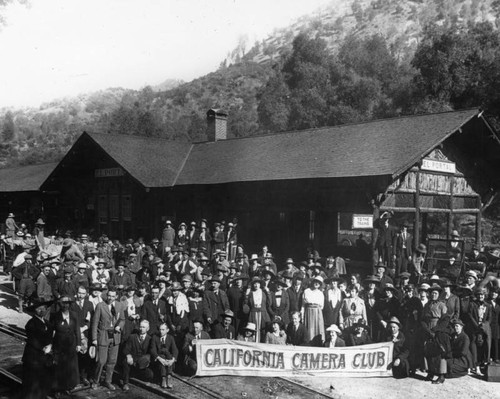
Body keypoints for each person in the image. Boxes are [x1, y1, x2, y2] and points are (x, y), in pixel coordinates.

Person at [91, 288, 125, 390]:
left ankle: (107, 381)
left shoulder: (119, 305)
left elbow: (122, 319)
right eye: (109, 296)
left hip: (115, 336)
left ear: (116, 297)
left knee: (112, 361)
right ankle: (96, 381)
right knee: (101, 361)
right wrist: (94, 338)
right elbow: (95, 322)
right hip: (103, 335)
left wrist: (120, 326)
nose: (110, 298)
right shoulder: (100, 306)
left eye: (113, 296)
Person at [22, 298, 54, 399]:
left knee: (43, 382)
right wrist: (43, 348)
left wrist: (51, 345)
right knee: (32, 383)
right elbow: (32, 340)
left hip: (44, 358)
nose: (41, 310)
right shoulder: (31, 324)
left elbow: (51, 338)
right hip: (33, 357)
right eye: (39, 308)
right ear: (34, 310)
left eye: (44, 308)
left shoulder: (48, 323)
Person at [52, 296, 81, 396]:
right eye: (63, 303)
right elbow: (51, 331)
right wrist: (50, 344)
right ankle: (58, 388)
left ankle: (68, 386)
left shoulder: (74, 315)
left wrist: (78, 344)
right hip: (59, 345)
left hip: (71, 344)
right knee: (60, 366)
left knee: (70, 366)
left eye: (67, 303)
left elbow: (77, 330)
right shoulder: (55, 316)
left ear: (70, 305)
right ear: (60, 305)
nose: (65, 305)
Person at [121, 320, 154, 391]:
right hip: (132, 361)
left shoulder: (150, 339)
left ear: (148, 329)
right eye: (140, 327)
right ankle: (125, 383)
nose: (141, 329)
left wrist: (146, 360)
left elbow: (151, 352)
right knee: (125, 361)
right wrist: (128, 356)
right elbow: (126, 349)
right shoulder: (132, 337)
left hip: (142, 364)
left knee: (150, 375)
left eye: (144, 327)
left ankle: (135, 374)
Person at [245, 276, 272, 343]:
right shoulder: (251, 293)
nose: (256, 285)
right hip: (253, 314)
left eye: (257, 283)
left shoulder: (264, 293)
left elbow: (269, 303)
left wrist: (268, 292)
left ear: (260, 284)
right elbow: (246, 305)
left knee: (263, 330)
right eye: (254, 284)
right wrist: (246, 295)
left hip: (263, 313)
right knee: (252, 330)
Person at [151, 322, 178, 389]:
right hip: (159, 360)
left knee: (168, 355)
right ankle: (163, 377)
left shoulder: (170, 338)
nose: (161, 331)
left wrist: (173, 360)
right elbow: (153, 350)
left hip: (169, 359)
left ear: (167, 330)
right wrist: (159, 358)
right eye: (160, 329)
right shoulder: (155, 337)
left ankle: (168, 376)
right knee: (162, 356)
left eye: (163, 330)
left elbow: (175, 350)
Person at [301, 275, 325, 346]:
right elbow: (303, 305)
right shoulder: (307, 291)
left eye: (319, 283)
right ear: (313, 282)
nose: (317, 284)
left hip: (317, 313)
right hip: (308, 312)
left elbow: (322, 306)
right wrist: (302, 316)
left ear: (320, 285)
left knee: (317, 330)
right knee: (309, 330)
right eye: (316, 282)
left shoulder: (320, 293)